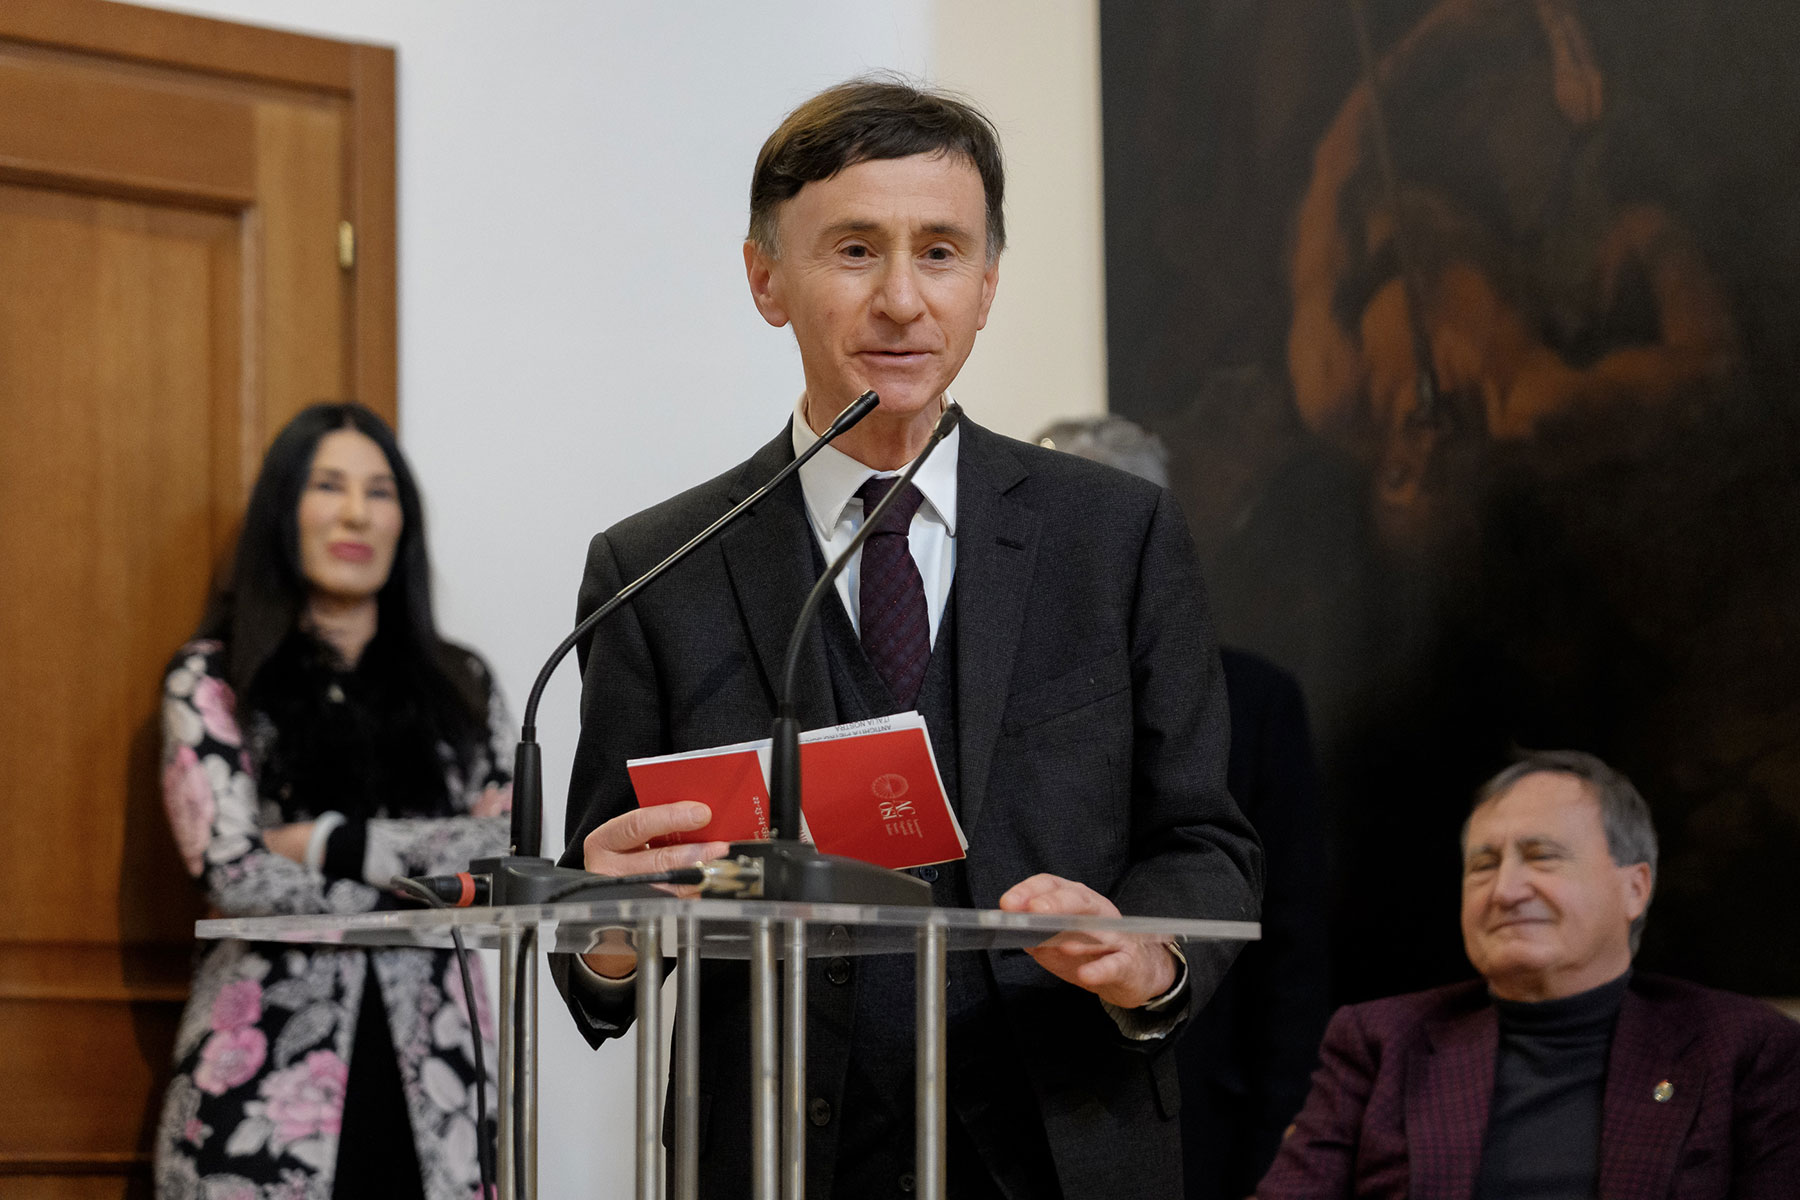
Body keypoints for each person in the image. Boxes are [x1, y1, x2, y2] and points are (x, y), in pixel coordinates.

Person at [551, 78, 1262, 1198]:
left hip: (1067, 1145)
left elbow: (1205, 842)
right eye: (854, 251)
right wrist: (601, 928)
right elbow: (600, 934)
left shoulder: (1115, 536)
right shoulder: (656, 570)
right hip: (777, 1159)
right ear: (765, 279)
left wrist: (1150, 955)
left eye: (940, 252)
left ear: (986, 286)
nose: (901, 300)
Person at [153, 402, 514, 1200]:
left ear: (403, 520)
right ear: (285, 510)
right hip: (259, 1090)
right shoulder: (213, 682)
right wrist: (429, 868)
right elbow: (236, 873)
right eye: (328, 486)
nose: (356, 513)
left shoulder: (464, 686)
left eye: (380, 491)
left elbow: (505, 861)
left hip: (446, 1092)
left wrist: (319, 841)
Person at [1257, 750, 1800, 1199]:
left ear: (1635, 888)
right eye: (1483, 865)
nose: (1505, 890)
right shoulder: (1380, 1042)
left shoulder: (1744, 1049)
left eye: (1541, 857)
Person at [1037, 414, 1332, 1200]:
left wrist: (1277, 1143)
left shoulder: (1254, 700)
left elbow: (1292, 947)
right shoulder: (977, 696)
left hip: (1198, 1114)